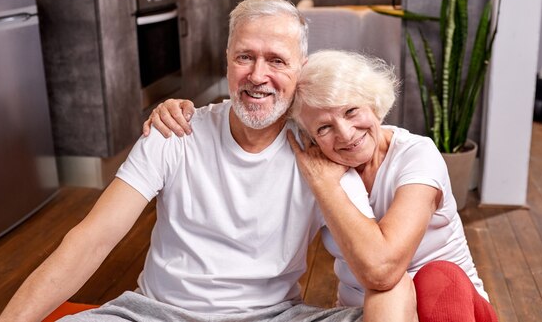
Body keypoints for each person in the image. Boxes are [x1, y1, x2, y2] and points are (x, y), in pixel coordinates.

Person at [0, 0, 401, 322]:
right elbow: (91, 240)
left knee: (397, 293)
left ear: (301, 69)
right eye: (245, 56)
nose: (258, 75)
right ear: (227, 59)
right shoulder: (174, 132)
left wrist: (326, 182)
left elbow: (379, 269)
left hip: (274, 316)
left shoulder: (321, 152)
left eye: (277, 60)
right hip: (157, 314)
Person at [148, 50, 498, 322]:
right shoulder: (316, 161)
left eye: (350, 112)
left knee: (434, 276)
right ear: (311, 138)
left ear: (374, 103)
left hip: (453, 307)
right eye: (324, 128)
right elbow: (251, 117)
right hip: (371, 315)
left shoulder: (416, 156)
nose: (346, 135)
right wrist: (175, 110)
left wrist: (326, 187)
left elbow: (384, 269)